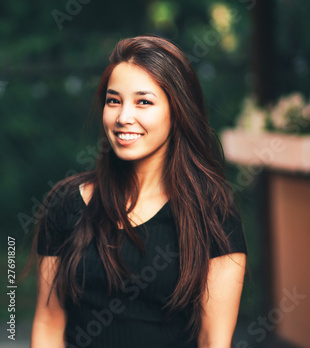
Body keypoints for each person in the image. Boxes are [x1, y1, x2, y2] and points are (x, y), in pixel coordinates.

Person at [21, 34, 248, 348]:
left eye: (144, 101)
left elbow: (214, 341)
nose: (123, 117)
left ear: (177, 109)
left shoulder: (213, 214)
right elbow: (48, 327)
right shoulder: (66, 203)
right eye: (114, 101)